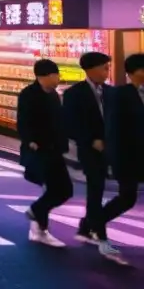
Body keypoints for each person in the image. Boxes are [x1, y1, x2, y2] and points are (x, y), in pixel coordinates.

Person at [17, 58, 72, 248]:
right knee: (55, 188)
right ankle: (40, 228)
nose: (58, 78)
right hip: (39, 150)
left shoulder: (53, 95)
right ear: (45, 76)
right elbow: (23, 121)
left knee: (64, 190)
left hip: (55, 149)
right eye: (56, 75)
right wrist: (31, 141)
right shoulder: (29, 94)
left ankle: (36, 215)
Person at [61, 52, 112, 248]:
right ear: (90, 70)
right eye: (104, 68)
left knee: (102, 189)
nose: (107, 72)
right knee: (96, 188)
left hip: (110, 147)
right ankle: (98, 231)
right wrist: (91, 141)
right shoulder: (74, 93)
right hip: (89, 149)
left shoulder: (111, 92)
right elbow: (71, 124)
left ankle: (88, 225)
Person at [98, 52, 144, 265]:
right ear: (134, 72)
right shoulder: (120, 95)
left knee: (129, 196)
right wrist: (114, 158)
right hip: (127, 157)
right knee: (128, 197)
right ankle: (96, 222)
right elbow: (114, 130)